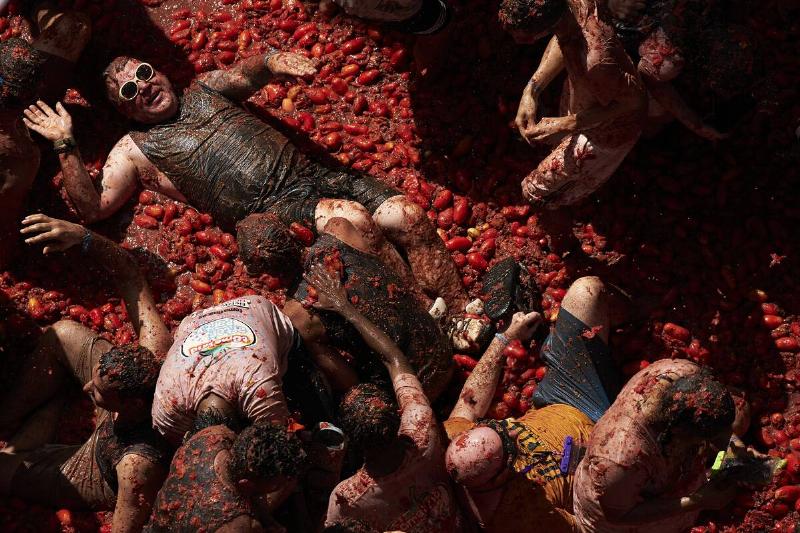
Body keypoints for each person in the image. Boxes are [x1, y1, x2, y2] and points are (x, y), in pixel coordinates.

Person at [21, 49, 472, 323]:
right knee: (354, 218)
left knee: (405, 214)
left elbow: (247, 73)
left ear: (157, 70)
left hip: (316, 174)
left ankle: (458, 310)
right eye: (127, 93)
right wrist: (65, 144)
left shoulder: (204, 89)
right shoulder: (133, 149)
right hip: (277, 208)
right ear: (124, 111)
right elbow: (93, 208)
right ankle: (419, 316)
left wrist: (273, 62)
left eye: (142, 74)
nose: (142, 88)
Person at [0, 215, 172, 533]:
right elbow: (130, 275)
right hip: (120, 410)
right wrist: (83, 236)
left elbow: (127, 523)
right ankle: (10, 416)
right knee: (63, 333)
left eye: (98, 391)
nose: (89, 386)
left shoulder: (136, 466)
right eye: (95, 377)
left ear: (129, 403)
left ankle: (36, 432)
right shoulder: (154, 352)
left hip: (101, 467)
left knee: (2, 468)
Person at [443, 276, 618, 532]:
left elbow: (469, 401)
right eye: (510, 443)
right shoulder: (522, 519)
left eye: (501, 428)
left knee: (586, 290)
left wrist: (505, 337)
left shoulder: (458, 442)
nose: (513, 428)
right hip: (606, 451)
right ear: (500, 475)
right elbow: (591, 526)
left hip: (564, 397)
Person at [303, 264, 460, 532]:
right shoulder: (423, 428)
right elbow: (393, 358)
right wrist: (344, 306)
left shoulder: (347, 497)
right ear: (397, 415)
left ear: (350, 441)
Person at [237, 213, 453, 400]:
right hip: (445, 354)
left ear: (262, 274)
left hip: (412, 392)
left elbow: (349, 381)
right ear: (293, 232)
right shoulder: (340, 229)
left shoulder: (297, 315)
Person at [572, 359, 750, 532]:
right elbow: (618, 515)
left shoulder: (684, 373)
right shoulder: (619, 459)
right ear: (680, 432)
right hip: (617, 514)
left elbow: (708, 413)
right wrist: (697, 501)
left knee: (742, 414)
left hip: (658, 474)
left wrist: (732, 443)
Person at [505, 0, 647, 208]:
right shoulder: (570, 6)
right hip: (584, 91)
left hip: (607, 131)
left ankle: (563, 212)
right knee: (557, 150)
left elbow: (636, 101)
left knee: (536, 191)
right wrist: (532, 90)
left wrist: (568, 124)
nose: (517, 42)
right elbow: (563, 38)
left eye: (524, 38)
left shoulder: (598, 63)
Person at [0, 5, 90, 268]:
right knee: (75, 25)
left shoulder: (23, 157)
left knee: (72, 27)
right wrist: (64, 141)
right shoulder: (22, 158)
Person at [146, 412, 306, 533]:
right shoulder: (240, 525)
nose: (281, 486)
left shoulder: (212, 435)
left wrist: (266, 517)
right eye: (276, 485)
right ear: (246, 485)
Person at [604, 0, 727, 140]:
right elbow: (649, 74)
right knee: (652, 115)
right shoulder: (670, 54)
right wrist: (693, 123)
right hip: (617, 39)